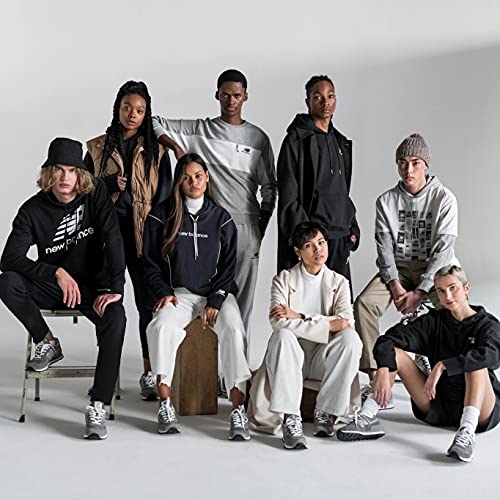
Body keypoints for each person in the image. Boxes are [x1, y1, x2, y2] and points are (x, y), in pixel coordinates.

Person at [0, 138, 126, 440]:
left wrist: (116, 287)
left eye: (72, 170)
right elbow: (9, 259)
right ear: (49, 172)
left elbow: (113, 238)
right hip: (52, 286)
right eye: (58, 169)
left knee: (116, 317)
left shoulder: (95, 195)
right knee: (6, 281)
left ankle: (98, 404)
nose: (65, 177)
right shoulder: (32, 209)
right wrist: (54, 272)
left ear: (80, 174)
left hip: (91, 287)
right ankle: (47, 341)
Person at [152, 69, 277, 349]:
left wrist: (260, 228)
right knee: (207, 300)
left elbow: (270, 188)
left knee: (240, 305)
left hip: (246, 227)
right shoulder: (201, 130)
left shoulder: (258, 138)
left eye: (236, 95)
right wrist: (176, 148)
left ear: (245, 97)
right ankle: (204, 367)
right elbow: (154, 121)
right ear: (217, 95)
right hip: (211, 227)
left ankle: (238, 368)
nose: (231, 101)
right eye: (225, 95)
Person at [338, 265, 500, 463]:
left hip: (480, 409)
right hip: (439, 403)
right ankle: (367, 417)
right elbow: (388, 339)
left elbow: (493, 357)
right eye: (441, 291)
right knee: (393, 353)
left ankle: (466, 433)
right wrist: (382, 369)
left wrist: (444, 365)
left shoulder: (487, 324)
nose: (447, 296)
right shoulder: (434, 321)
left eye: (452, 288)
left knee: (475, 363)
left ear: (466, 288)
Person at [142, 153, 252, 439]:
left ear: (207, 178)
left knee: (234, 329)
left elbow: (229, 267)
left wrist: (216, 300)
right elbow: (149, 263)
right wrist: (163, 292)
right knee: (161, 327)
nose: (193, 182)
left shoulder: (221, 219)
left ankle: (238, 410)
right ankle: (165, 405)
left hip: (214, 295)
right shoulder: (160, 215)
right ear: (179, 181)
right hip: (178, 295)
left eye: (198, 176)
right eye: (187, 177)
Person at [85, 80, 172, 401]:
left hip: (143, 235)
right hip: (106, 236)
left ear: (146, 113)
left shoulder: (157, 151)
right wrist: (108, 184)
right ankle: (106, 376)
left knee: (147, 303)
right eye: (127, 108)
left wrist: (157, 235)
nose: (132, 114)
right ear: (117, 109)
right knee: (108, 303)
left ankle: (149, 373)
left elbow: (165, 197)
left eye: (139, 110)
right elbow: (82, 192)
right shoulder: (97, 147)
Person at [354, 133, 459, 391]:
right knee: (364, 304)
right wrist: (395, 285)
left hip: (436, 269)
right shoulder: (386, 201)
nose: (408, 169)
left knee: (453, 308)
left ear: (425, 164)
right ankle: (377, 377)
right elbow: (384, 248)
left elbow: (443, 250)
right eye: (402, 162)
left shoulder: (444, 198)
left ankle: (446, 374)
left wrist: (421, 291)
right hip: (399, 269)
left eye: (415, 162)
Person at [248, 222, 362, 450]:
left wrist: (300, 316)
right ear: (298, 252)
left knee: (351, 339)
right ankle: (291, 418)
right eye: (310, 245)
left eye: (321, 242)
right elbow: (279, 322)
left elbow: (346, 322)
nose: (318, 249)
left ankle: (325, 411)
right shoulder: (283, 279)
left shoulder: (339, 282)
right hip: (290, 359)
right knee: (283, 336)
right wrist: (328, 325)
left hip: (323, 359)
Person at [277, 75, 360, 287]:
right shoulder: (297, 140)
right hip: (313, 242)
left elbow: (342, 191)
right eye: (318, 97)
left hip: (340, 239)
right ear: (308, 102)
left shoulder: (340, 142)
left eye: (330, 96)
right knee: (308, 302)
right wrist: (307, 238)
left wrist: (352, 227)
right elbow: (288, 196)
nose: (325, 102)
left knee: (340, 302)